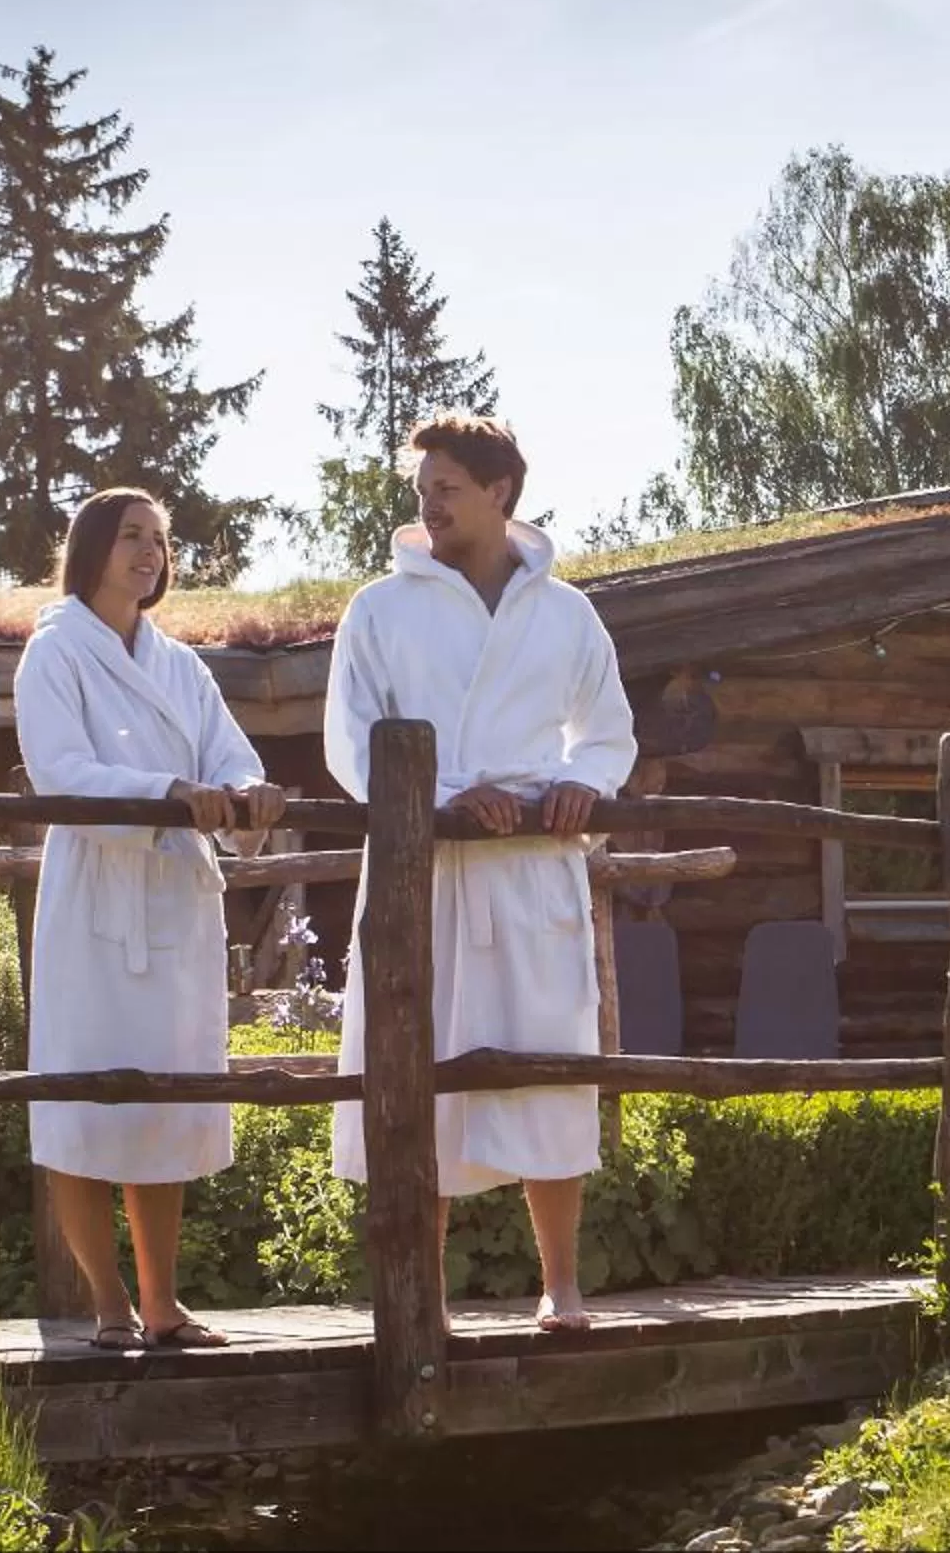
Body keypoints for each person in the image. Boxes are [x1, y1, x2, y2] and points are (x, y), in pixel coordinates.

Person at [326, 412, 637, 1333]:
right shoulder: (381, 608)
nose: (430, 507)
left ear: (499, 492)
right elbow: (351, 742)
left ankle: (561, 1285)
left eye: (447, 490)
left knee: (549, 1066)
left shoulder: (565, 611)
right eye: (423, 492)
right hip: (421, 873)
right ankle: (423, 1296)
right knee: (414, 1068)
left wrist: (579, 785)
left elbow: (607, 730)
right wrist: (446, 797)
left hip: (531, 872)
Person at [14, 487, 286, 1349]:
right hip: (96, 899)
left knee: (166, 1098)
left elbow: (226, 750)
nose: (150, 555)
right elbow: (59, 771)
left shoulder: (181, 665)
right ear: (91, 547)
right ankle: (106, 1303)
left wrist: (249, 792)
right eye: (132, 537)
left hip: (172, 902)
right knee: (84, 1097)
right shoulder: (52, 654)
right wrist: (162, 791)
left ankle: (163, 1302)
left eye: (160, 542)